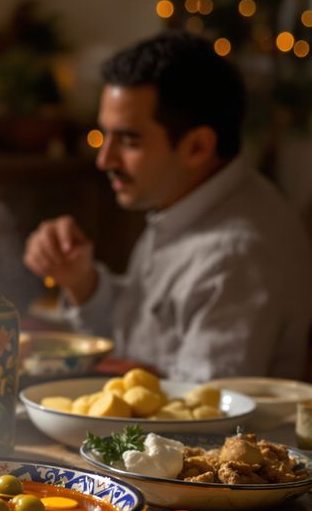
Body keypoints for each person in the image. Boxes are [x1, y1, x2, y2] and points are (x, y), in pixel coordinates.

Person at [22, 31, 312, 382]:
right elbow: (142, 336)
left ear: (197, 147)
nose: (104, 160)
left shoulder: (238, 253)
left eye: (128, 140)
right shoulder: (186, 202)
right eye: (104, 134)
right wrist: (82, 280)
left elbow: (207, 413)